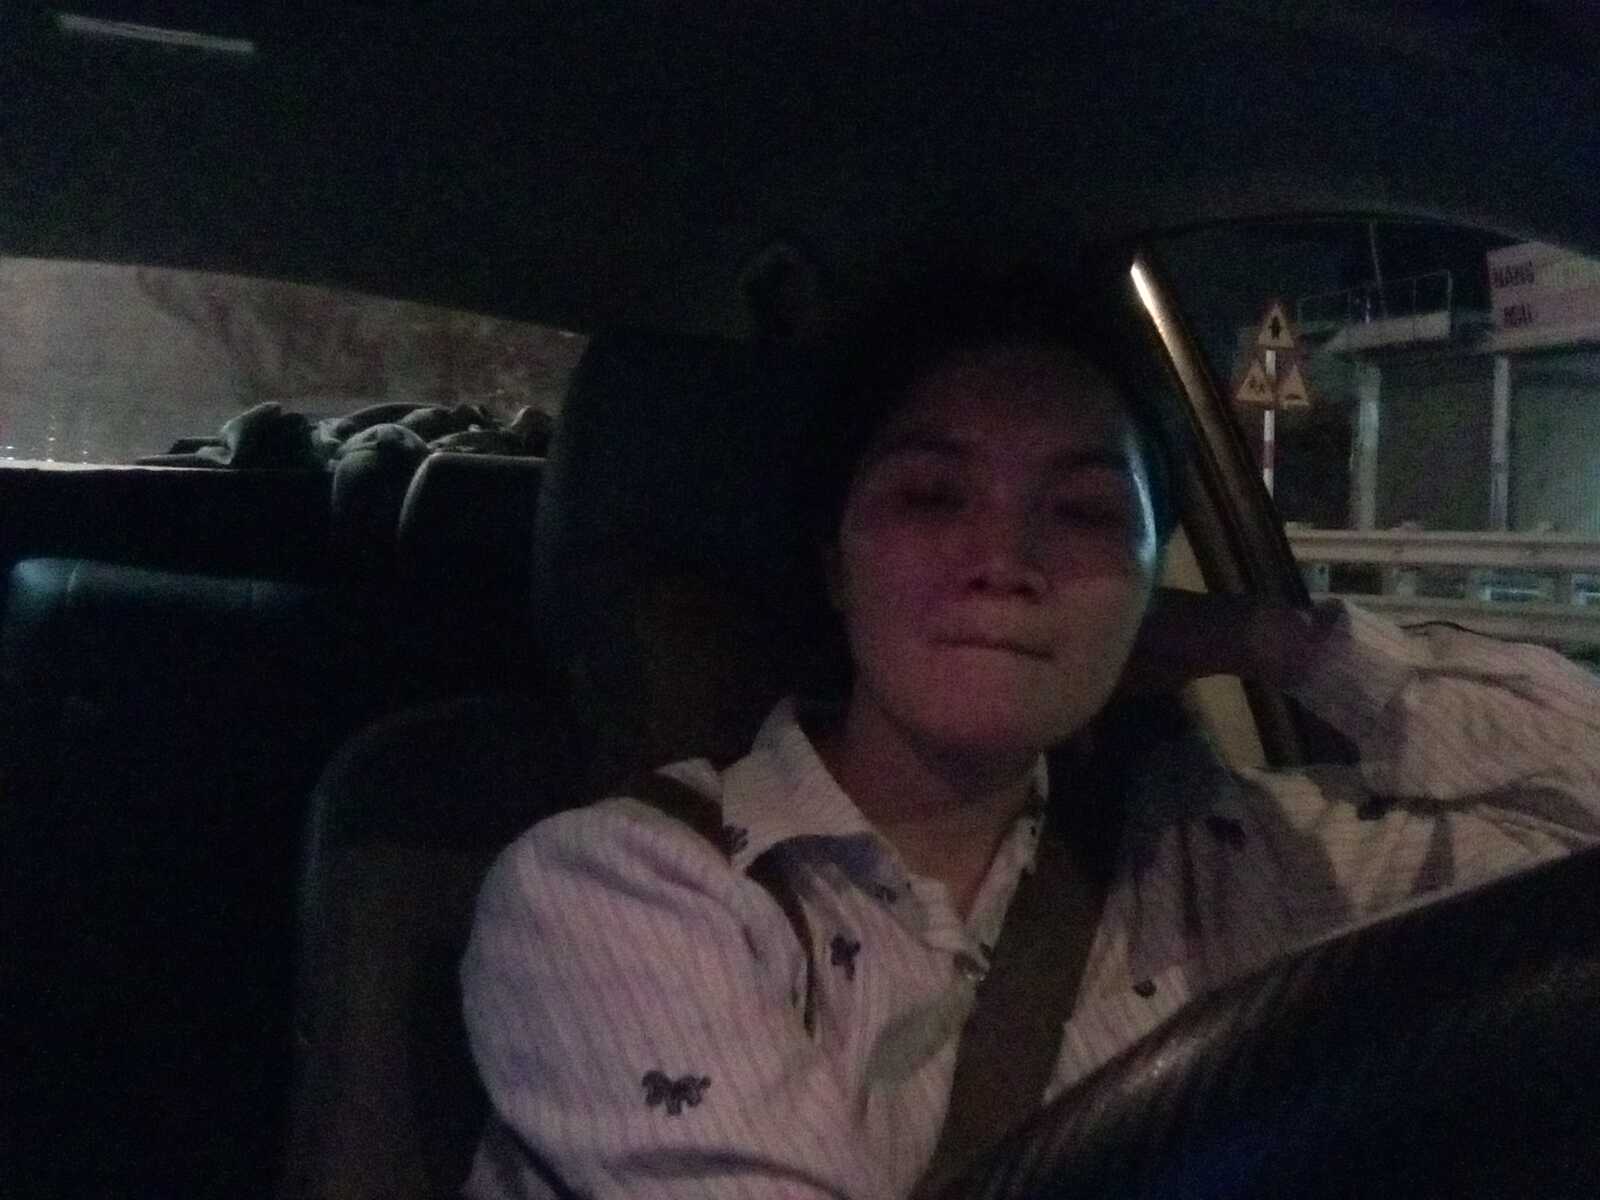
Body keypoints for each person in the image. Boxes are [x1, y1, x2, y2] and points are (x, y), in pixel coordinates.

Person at [460, 271, 1600, 1200]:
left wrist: (1271, 639)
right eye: (931, 496)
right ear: (834, 563)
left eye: (1084, 513)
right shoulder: (624, 891)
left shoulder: (1224, 861)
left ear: (1152, 581)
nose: (1004, 562)